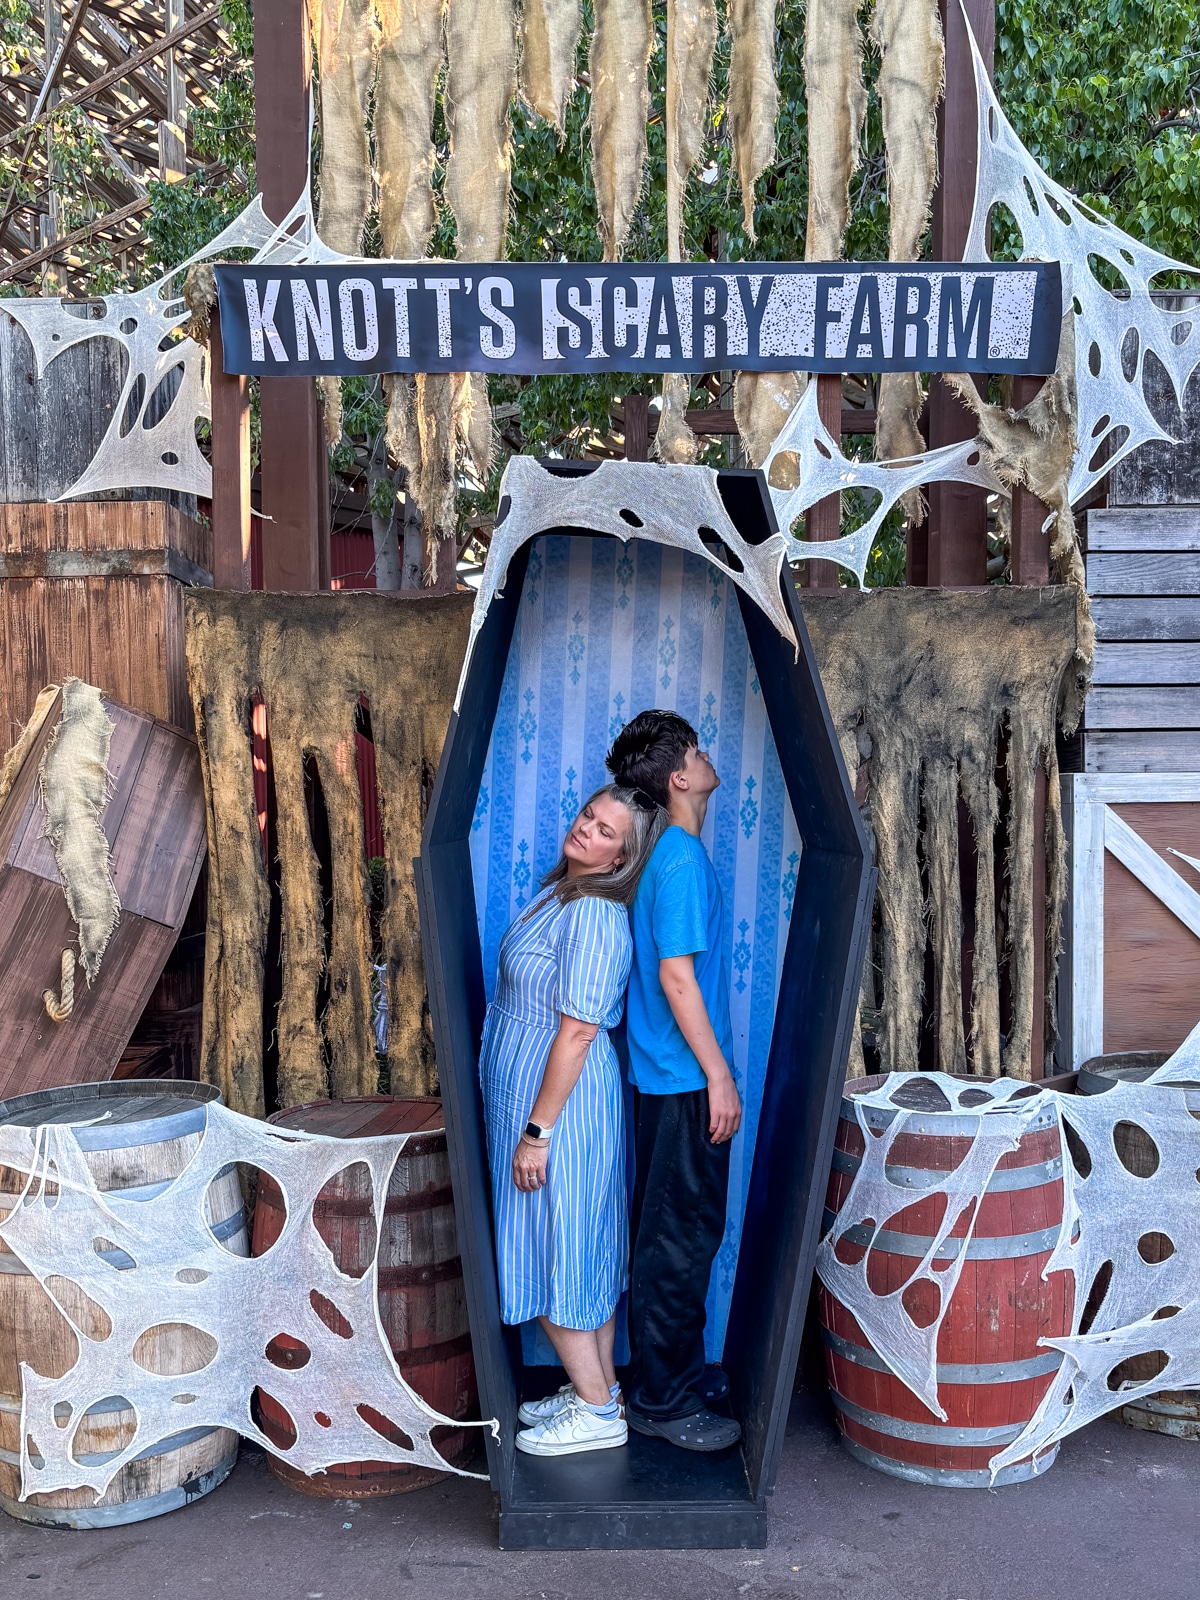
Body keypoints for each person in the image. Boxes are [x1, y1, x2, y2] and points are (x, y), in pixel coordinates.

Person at [479, 784, 664, 1459]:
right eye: (590, 815)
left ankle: (596, 1412)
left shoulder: (593, 916)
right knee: (576, 1249)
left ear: (623, 857)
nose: (588, 830)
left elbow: (580, 1031)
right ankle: (601, 1389)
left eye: (608, 831)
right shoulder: (559, 893)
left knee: (563, 1251)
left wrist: (539, 1132)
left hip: (563, 1114)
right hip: (537, 1105)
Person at [606, 709, 744, 1452]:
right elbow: (676, 978)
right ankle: (664, 1401)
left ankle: (676, 1376)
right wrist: (718, 1076)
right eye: (697, 747)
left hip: (666, 1080)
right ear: (680, 778)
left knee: (677, 1235)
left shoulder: (665, 853)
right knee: (680, 1243)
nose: (706, 752)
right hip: (684, 1083)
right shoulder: (682, 859)